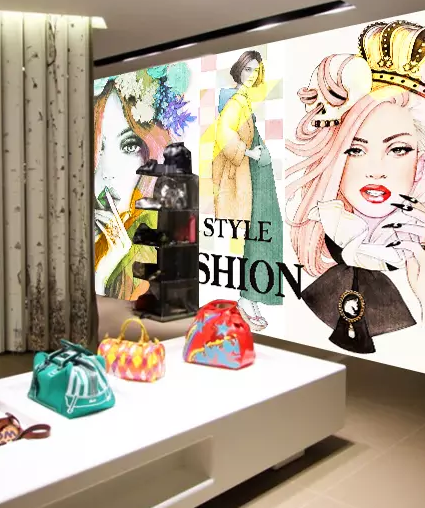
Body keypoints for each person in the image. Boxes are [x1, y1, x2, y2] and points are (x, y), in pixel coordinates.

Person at [286, 17, 425, 354]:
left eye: (398, 150)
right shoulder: (324, 233)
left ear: (422, 161)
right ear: (336, 157)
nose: (375, 171)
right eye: (356, 149)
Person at [93, 64, 194, 300]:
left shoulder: (151, 237)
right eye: (98, 146)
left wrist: (102, 275)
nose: (108, 172)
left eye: (129, 146)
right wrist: (100, 273)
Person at [211, 50, 284, 330]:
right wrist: (250, 153)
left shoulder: (242, 99)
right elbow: (223, 134)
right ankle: (248, 297)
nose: (252, 75)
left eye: (256, 69)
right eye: (248, 69)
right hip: (251, 177)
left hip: (257, 177)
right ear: (239, 70)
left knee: (266, 231)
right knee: (261, 232)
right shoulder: (234, 101)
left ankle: (251, 296)